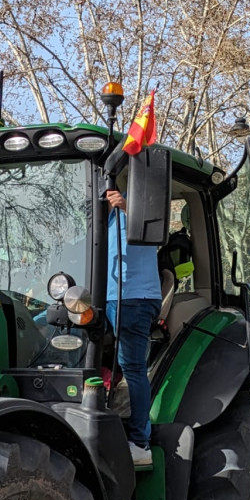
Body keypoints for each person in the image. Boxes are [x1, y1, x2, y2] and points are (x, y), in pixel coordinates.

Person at [106, 189, 161, 465]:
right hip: (111, 296)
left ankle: (140, 442)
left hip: (134, 296)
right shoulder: (104, 219)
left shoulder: (141, 206)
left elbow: (152, 225)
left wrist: (127, 206)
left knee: (134, 367)